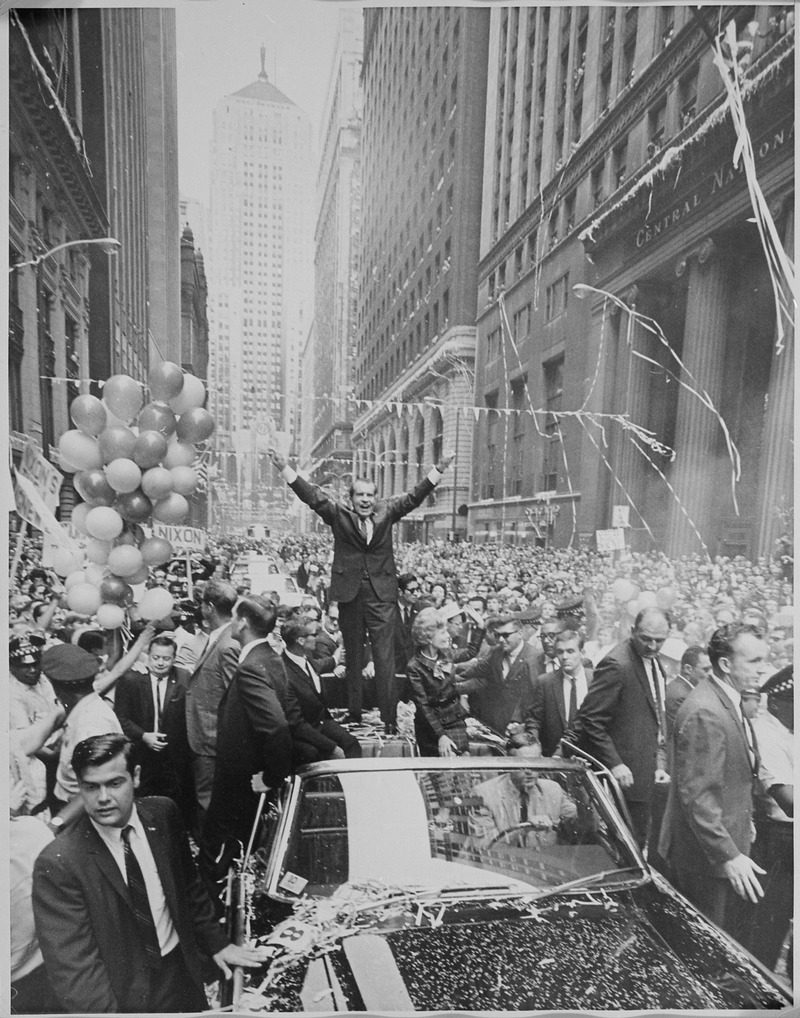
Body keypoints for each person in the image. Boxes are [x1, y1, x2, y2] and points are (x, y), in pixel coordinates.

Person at [32, 733, 269, 1013]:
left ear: (136, 777)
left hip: (180, 975)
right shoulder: (60, 862)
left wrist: (218, 944)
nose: (103, 798)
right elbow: (76, 972)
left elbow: (188, 886)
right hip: (121, 998)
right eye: (91, 787)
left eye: (114, 783)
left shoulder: (163, 814)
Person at [269, 445, 455, 730]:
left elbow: (415, 496)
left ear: (376, 498)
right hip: (350, 594)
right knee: (353, 656)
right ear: (351, 498)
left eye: (370, 495)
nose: (365, 500)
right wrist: (284, 468)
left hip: (382, 597)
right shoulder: (338, 514)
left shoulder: (388, 511)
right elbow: (312, 496)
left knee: (384, 659)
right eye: (360, 495)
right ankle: (354, 712)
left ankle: (389, 719)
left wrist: (438, 469)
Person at [659, 623, 769, 939]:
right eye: (754, 662)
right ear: (725, 664)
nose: (761, 670)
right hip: (705, 861)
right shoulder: (706, 711)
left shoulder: (723, 699)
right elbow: (698, 798)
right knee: (705, 953)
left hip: (718, 851)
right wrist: (729, 855)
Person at [201, 595, 294, 901]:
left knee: (219, 859)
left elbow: (277, 726)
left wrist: (271, 776)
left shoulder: (251, 667)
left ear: (241, 622)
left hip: (240, 785)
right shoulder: (270, 657)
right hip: (247, 783)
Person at [567, 608, 671, 848]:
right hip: (624, 777)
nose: (652, 646)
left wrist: (659, 762)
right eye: (646, 638)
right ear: (633, 631)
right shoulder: (617, 663)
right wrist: (615, 763)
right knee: (624, 846)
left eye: (659, 641)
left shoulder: (655, 663)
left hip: (646, 771)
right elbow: (591, 718)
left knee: (639, 841)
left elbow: (654, 715)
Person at [741, 665, 793, 969]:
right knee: (766, 930)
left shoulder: (788, 729)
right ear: (776, 702)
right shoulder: (767, 734)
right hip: (778, 840)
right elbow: (788, 801)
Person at [113, 633, 192, 825]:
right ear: (148, 656)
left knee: (172, 802)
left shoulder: (184, 678)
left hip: (173, 755)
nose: (160, 663)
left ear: (174, 659)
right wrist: (143, 736)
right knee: (142, 799)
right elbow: (121, 717)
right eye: (155, 658)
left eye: (166, 659)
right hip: (142, 754)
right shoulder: (131, 680)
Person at [184, 579, 240, 827]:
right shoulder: (221, 638)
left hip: (213, 741)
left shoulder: (227, 644)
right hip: (207, 738)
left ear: (208, 607)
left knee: (210, 804)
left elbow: (234, 698)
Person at [280, 619, 361, 762]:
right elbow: (296, 723)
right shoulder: (284, 673)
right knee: (315, 753)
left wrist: (340, 648)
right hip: (299, 732)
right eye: (314, 634)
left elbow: (327, 663)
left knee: (352, 744)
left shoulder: (307, 660)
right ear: (301, 641)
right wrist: (331, 748)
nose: (318, 638)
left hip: (321, 722)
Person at [472, 750, 578, 849]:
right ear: (509, 764)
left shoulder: (553, 790)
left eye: (534, 763)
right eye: (523, 764)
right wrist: (522, 831)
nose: (529, 771)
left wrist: (577, 785)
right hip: (501, 864)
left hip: (549, 861)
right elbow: (484, 846)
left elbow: (582, 826)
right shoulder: (484, 794)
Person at [454, 615, 539, 738]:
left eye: (506, 635)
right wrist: (449, 675)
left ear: (520, 633)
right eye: (498, 635)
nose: (500, 640)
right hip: (495, 723)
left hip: (520, 727)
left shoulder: (533, 657)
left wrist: (520, 723)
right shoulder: (496, 652)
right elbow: (474, 671)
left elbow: (535, 698)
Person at [406, 607, 469, 757]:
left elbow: (470, 652)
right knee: (441, 774)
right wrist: (441, 735)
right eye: (442, 632)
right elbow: (423, 706)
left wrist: (480, 627)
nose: (448, 636)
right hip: (431, 728)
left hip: (455, 721)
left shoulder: (446, 653)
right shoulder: (414, 666)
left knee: (464, 765)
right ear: (428, 637)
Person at [522, 628, 593, 757]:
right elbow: (534, 719)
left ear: (582, 653)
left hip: (590, 756)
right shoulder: (546, 682)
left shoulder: (595, 680)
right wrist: (535, 745)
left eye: (570, 651)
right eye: (560, 652)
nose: (565, 657)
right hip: (554, 756)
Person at [664, 645, 713, 739]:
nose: (710, 674)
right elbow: (689, 734)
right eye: (706, 670)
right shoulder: (680, 695)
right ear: (688, 669)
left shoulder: (683, 689)